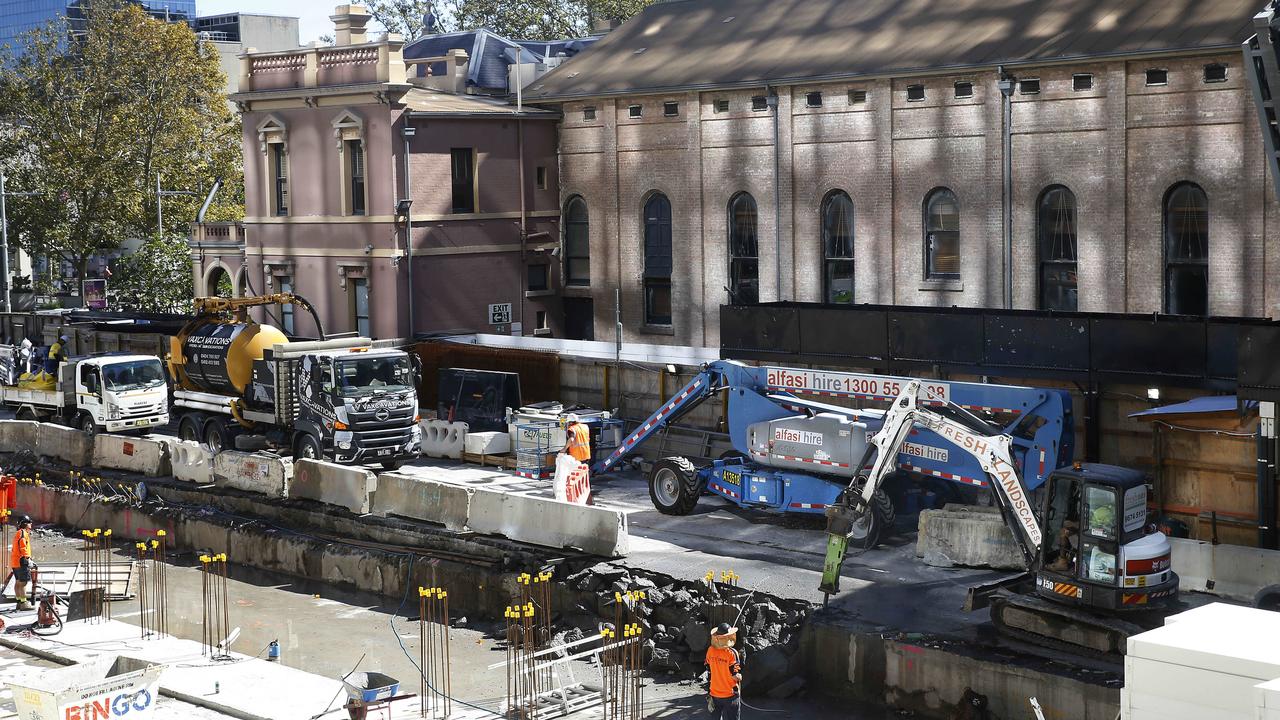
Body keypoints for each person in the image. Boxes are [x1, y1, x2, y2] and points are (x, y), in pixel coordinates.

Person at [705, 623, 742, 719]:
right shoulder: (732, 653)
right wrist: (739, 677)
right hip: (730, 694)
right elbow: (735, 674)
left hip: (714, 693)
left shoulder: (710, 650)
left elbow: (708, 667)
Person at [11, 515, 33, 611]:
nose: (31, 524)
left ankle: (19, 602)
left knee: (18, 582)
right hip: (22, 561)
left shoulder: (18, 533)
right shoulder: (23, 533)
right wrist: (28, 558)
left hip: (15, 562)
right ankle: (24, 603)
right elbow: (23, 546)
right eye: (29, 522)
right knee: (23, 582)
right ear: (25, 524)